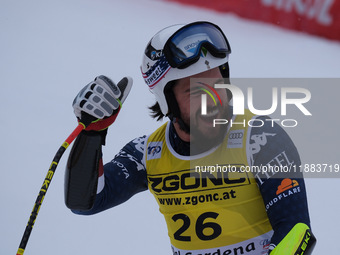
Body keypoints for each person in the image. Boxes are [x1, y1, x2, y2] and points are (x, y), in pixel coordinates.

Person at [64, 21, 316, 255]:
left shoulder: (261, 137)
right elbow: (85, 202)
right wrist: (91, 135)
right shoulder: (147, 153)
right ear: (168, 100)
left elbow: (296, 231)